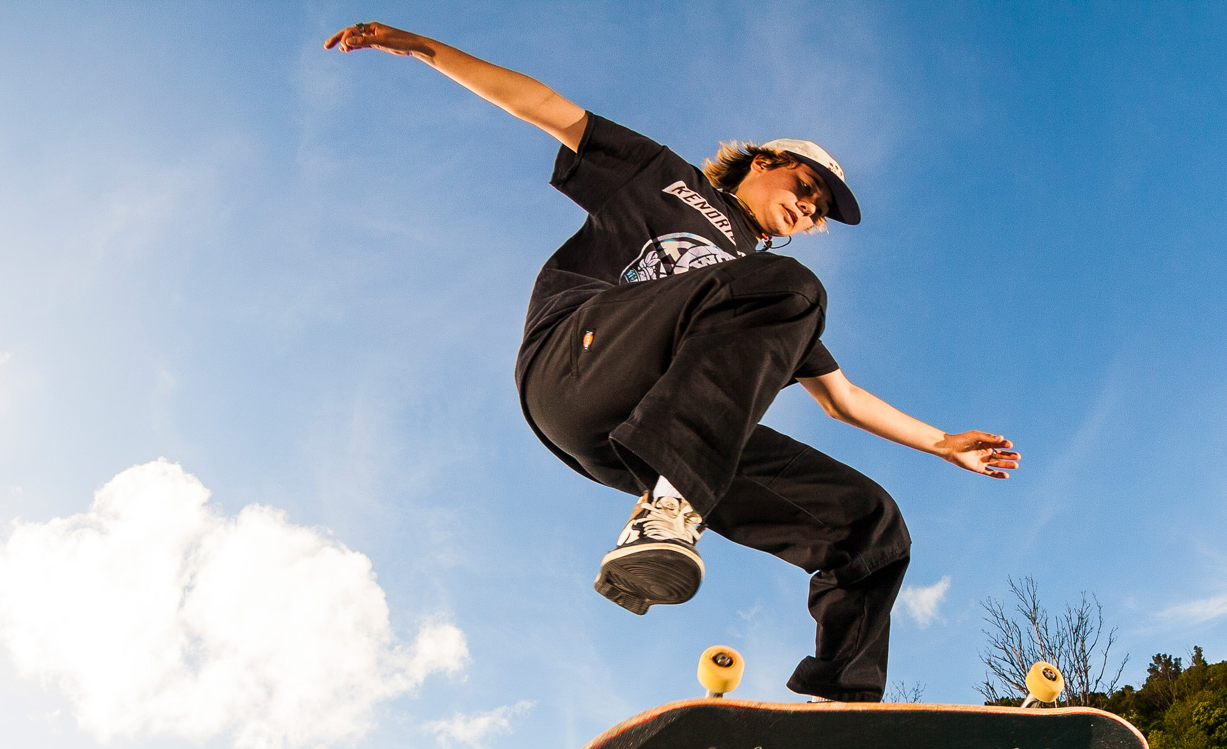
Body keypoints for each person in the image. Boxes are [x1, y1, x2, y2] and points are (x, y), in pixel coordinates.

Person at [325, 22, 1019, 702]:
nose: (807, 211)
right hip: (577, 362)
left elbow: (841, 398)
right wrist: (418, 46)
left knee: (871, 524)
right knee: (792, 291)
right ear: (765, 161)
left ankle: (845, 702)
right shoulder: (665, 180)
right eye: (805, 189)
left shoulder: (768, 300)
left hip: (634, 441)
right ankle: (671, 504)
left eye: (817, 214)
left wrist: (940, 442)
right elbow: (544, 107)